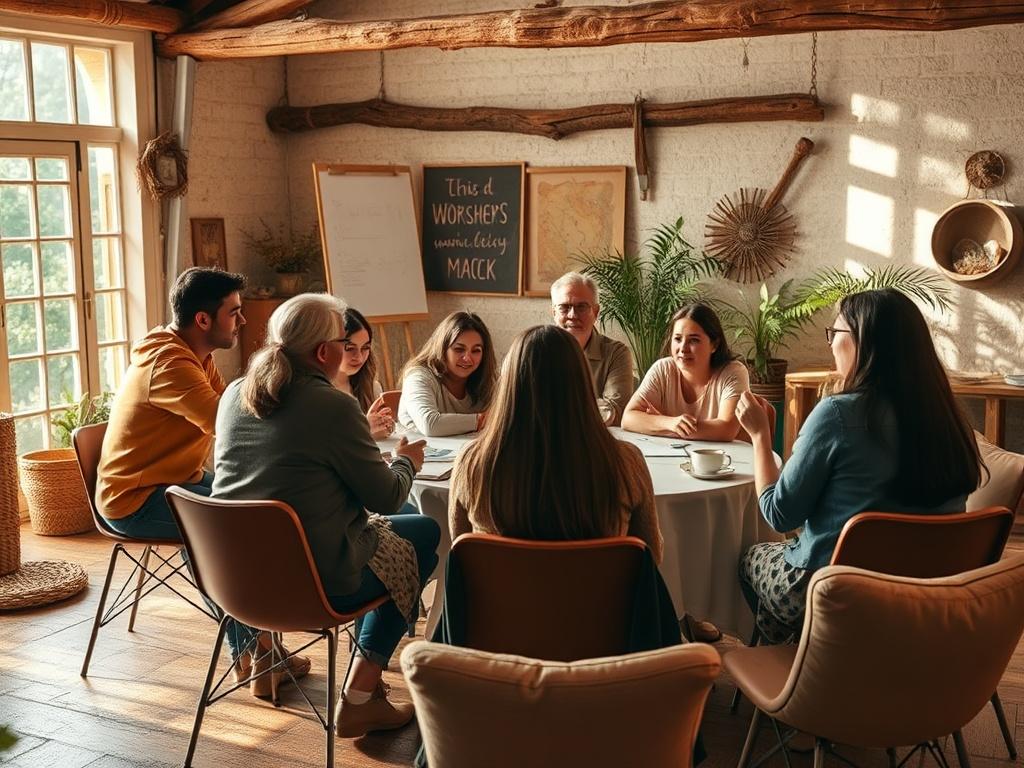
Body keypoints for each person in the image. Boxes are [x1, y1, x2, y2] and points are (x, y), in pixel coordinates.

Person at [213, 293, 440, 738]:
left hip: (234, 580)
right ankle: (359, 696)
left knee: (406, 532)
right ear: (324, 352)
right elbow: (389, 497)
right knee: (425, 534)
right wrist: (407, 460)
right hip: (314, 581)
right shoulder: (333, 406)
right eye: (343, 340)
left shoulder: (235, 392)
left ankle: (265, 656)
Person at [735, 288, 982, 644]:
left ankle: (799, 670)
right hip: (922, 595)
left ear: (862, 343)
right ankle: (823, 662)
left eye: (835, 334)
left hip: (834, 593)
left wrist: (760, 435)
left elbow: (779, 514)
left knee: (750, 556)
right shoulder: (947, 416)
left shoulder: (837, 414)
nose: (831, 344)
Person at [95, 268, 292, 694]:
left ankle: (262, 646)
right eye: (235, 313)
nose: (242, 321)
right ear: (203, 320)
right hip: (135, 498)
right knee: (230, 535)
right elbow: (227, 422)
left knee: (258, 514)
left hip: (176, 479)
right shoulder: (170, 364)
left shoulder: (194, 354)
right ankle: (252, 655)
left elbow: (235, 410)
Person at [449, 325, 662, 562]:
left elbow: (461, 557)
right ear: (582, 383)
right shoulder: (625, 462)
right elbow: (651, 556)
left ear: (510, 385)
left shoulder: (473, 463)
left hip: (503, 599)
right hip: (598, 598)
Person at [622, 302, 749, 441]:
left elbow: (726, 429)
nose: (683, 348)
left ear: (714, 344)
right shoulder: (663, 369)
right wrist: (670, 423)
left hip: (726, 460)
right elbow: (628, 418)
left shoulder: (733, 372)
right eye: (677, 339)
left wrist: (657, 424)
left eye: (693, 340)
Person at [550, 271, 634, 426]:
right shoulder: (537, 350)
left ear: (596, 312)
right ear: (554, 313)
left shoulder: (616, 353)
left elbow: (615, 412)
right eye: (564, 307)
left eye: (581, 307)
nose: (573, 315)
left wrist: (554, 409)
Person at [397, 311, 497, 437]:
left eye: (476, 351)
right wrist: (482, 420)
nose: (467, 358)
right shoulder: (418, 376)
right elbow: (429, 424)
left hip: (468, 452)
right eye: (459, 349)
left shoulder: (486, 378)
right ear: (442, 348)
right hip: (422, 454)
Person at [335, 307, 394, 439]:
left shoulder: (371, 386)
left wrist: (385, 425)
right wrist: (363, 430)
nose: (359, 357)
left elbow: (383, 431)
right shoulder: (314, 392)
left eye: (365, 348)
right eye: (350, 348)